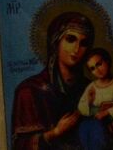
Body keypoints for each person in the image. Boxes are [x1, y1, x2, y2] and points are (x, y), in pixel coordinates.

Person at [10, 12, 95, 150]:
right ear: (56, 42)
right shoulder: (29, 91)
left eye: (84, 43)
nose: (76, 49)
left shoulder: (91, 89)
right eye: (70, 39)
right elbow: (19, 146)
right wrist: (55, 133)